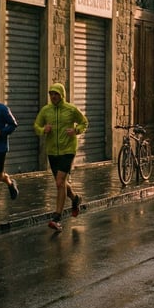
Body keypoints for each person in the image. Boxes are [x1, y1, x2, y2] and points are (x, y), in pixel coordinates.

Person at [34, 83, 88, 231]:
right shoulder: (46, 110)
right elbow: (36, 126)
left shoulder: (71, 109)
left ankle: (57, 217)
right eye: (51, 94)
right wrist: (43, 130)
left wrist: (76, 130)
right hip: (52, 151)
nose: (53, 97)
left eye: (56, 94)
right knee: (61, 183)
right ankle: (75, 199)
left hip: (68, 150)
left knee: (59, 182)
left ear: (62, 95)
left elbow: (84, 122)